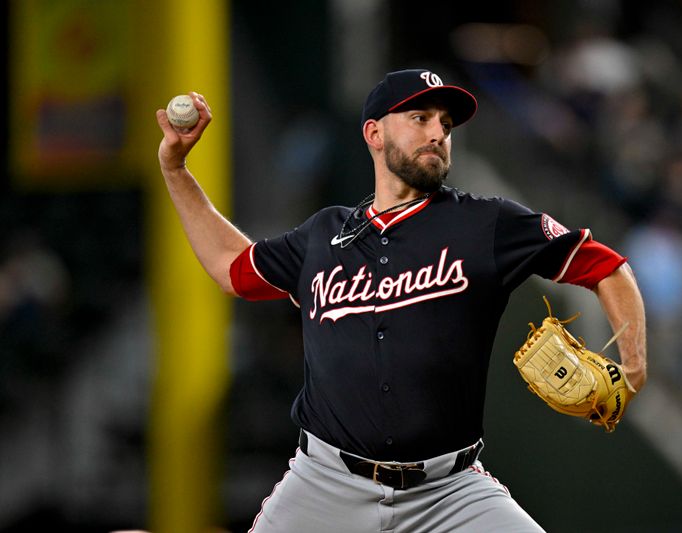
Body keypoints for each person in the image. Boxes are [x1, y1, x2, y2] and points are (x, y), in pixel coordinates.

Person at [155, 68, 647, 533]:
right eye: (420, 118)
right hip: (325, 485)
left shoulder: (488, 224)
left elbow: (605, 266)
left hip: (449, 490)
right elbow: (231, 269)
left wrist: (634, 363)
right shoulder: (321, 236)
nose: (437, 132)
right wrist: (176, 169)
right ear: (374, 134)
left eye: (446, 124)